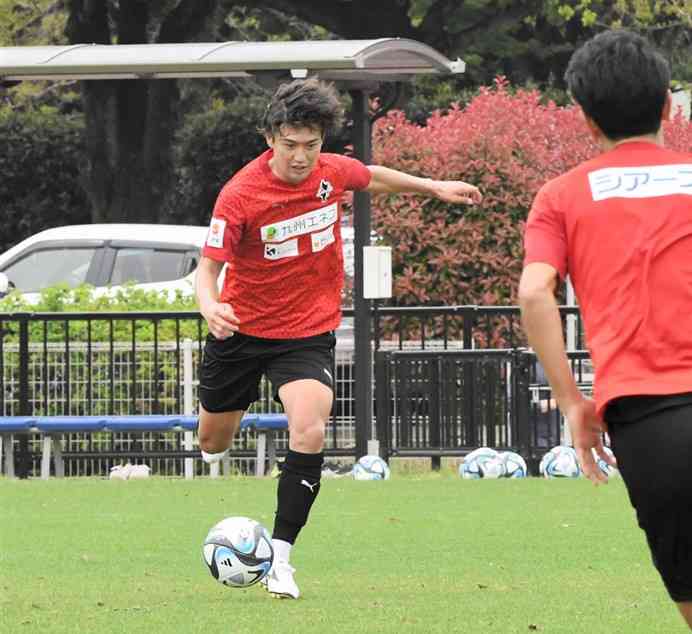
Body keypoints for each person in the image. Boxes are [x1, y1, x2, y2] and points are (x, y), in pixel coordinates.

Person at [195, 77, 482, 599]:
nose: (302, 157)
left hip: (306, 331)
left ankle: (281, 560)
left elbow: (372, 177)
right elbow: (207, 268)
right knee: (212, 441)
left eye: (311, 145)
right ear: (270, 139)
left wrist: (433, 186)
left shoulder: (331, 172)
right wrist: (210, 305)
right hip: (242, 330)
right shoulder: (239, 195)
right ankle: (222, 435)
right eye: (290, 145)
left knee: (309, 430)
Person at [519, 29, 692, 627]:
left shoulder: (561, 196)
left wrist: (572, 403)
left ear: (587, 121)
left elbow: (534, 290)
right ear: (669, 105)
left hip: (648, 417)